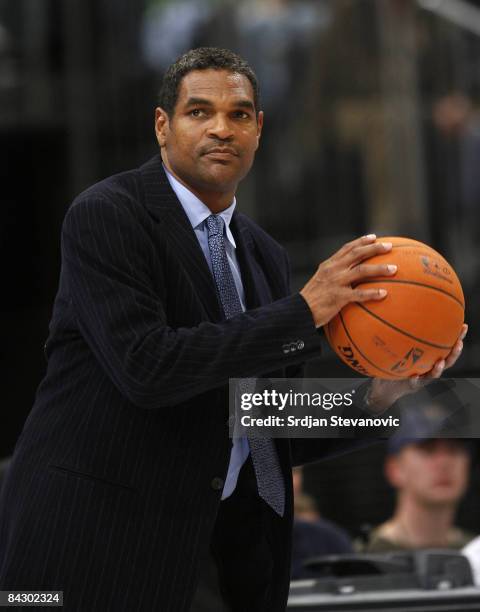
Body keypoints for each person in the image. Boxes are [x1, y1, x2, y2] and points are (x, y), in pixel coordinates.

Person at [0, 47, 466, 612]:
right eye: (200, 112)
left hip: (221, 556)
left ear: (259, 129)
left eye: (240, 114)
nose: (222, 128)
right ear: (162, 125)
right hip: (91, 548)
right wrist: (302, 312)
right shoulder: (107, 215)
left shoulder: (265, 256)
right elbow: (148, 368)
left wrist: (377, 396)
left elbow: (261, 420)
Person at [365, 429, 474, 553]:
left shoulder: (474, 553)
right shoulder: (362, 556)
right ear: (395, 469)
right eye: (428, 450)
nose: (444, 462)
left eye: (454, 450)